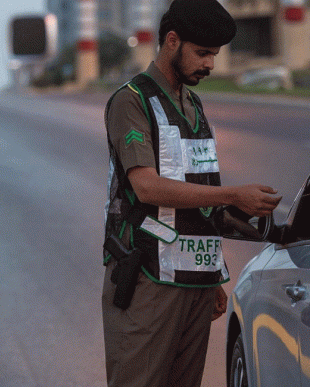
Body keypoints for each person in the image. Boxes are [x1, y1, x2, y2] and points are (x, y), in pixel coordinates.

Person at [102, 0, 281, 385]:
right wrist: (234, 195)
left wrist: (215, 272)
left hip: (195, 280)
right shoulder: (131, 101)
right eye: (202, 53)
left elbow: (202, 193)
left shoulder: (193, 104)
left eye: (214, 55)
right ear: (171, 41)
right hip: (148, 279)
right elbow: (145, 186)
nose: (210, 64)